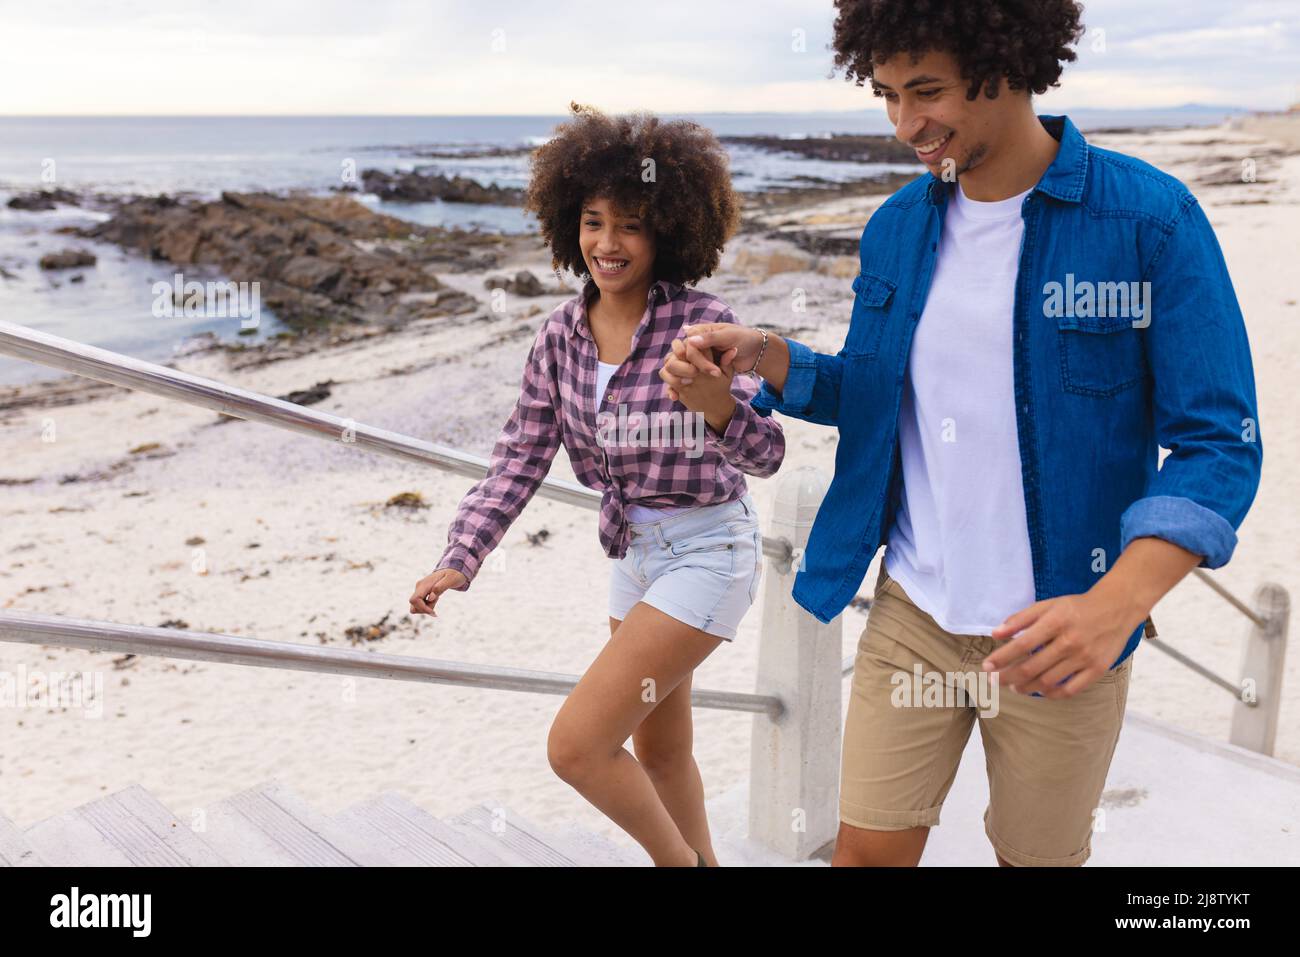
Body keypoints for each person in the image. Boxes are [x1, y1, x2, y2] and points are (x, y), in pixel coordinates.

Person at [660, 0, 1261, 866]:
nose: (907, 123)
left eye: (928, 91)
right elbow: (874, 394)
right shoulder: (898, 226)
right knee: (862, 856)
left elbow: (1219, 442)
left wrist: (1115, 605)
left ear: (1006, 61)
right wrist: (765, 354)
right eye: (888, 95)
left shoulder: (1152, 221)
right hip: (915, 611)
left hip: (1064, 621)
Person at [409, 103, 785, 867]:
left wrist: (715, 404)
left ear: (669, 229)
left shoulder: (703, 322)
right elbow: (520, 456)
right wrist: (462, 553)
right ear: (566, 223)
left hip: (709, 550)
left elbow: (768, 452)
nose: (607, 244)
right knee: (662, 751)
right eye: (592, 221)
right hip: (630, 557)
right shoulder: (558, 334)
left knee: (577, 745)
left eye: (631, 225)